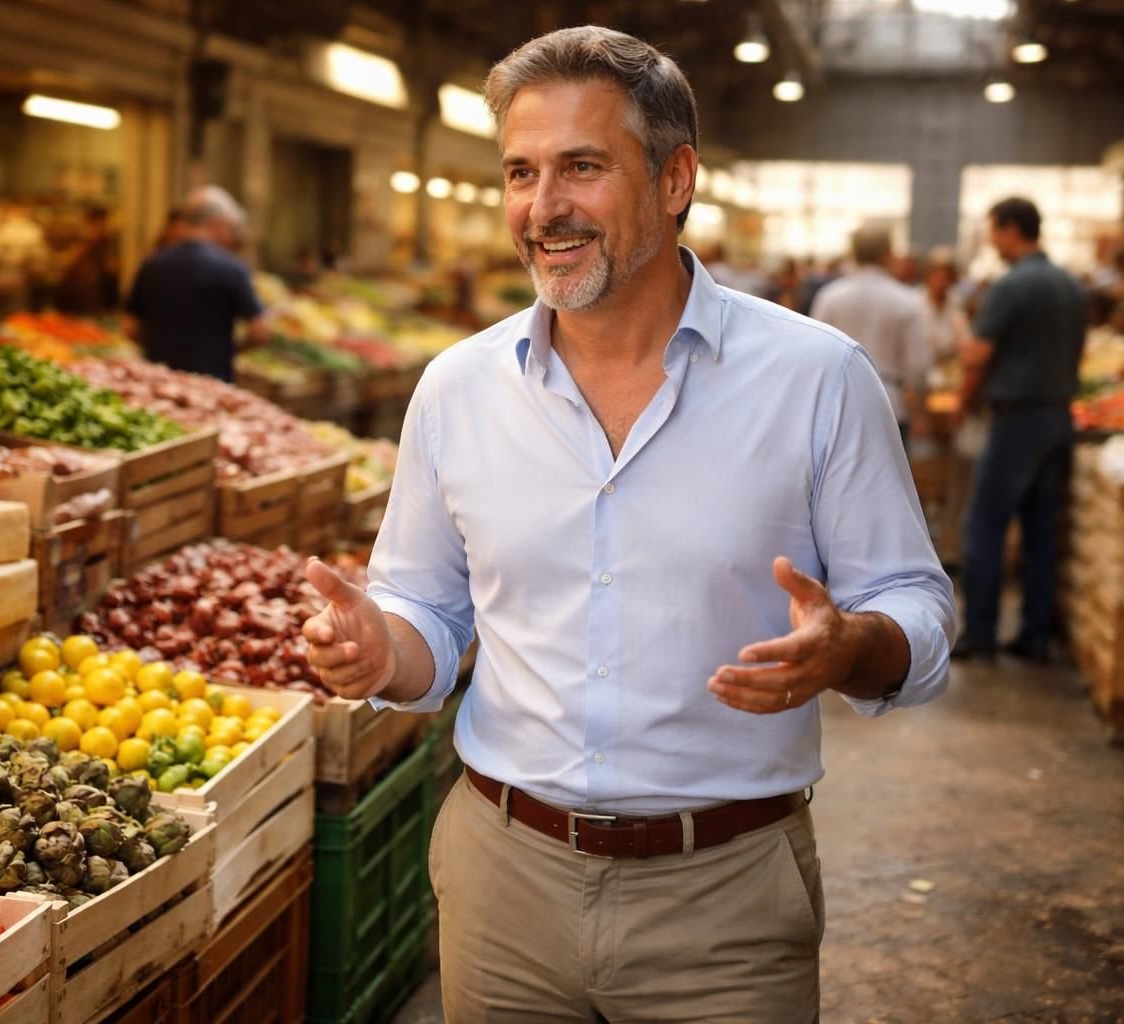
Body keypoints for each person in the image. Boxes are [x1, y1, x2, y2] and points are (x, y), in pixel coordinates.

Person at [299, 25, 955, 1021]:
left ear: (675, 177)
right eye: (521, 172)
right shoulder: (458, 389)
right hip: (501, 881)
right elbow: (428, 613)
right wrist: (377, 648)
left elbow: (917, 602)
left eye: (583, 167)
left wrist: (852, 645)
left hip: (725, 898)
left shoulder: (817, 380)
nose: (543, 208)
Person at [954, 197, 1086, 663]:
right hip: (1057, 417)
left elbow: (976, 355)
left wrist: (963, 402)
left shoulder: (1012, 286)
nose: (992, 242)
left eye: (993, 231)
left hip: (1016, 421)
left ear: (1011, 229)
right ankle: (1033, 634)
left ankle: (981, 634)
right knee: (1040, 530)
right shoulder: (1071, 285)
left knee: (985, 526)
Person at [123, 187, 267, 382]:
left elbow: (129, 327)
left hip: (158, 380)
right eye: (230, 229)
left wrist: (156, 347)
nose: (231, 236)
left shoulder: (152, 264)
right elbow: (260, 332)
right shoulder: (233, 268)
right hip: (211, 381)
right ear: (216, 224)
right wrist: (230, 350)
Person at [809, 225, 931, 444]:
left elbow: (813, 355)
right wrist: (919, 409)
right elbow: (917, 366)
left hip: (838, 404)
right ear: (887, 253)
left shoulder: (830, 297)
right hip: (890, 403)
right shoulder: (906, 300)